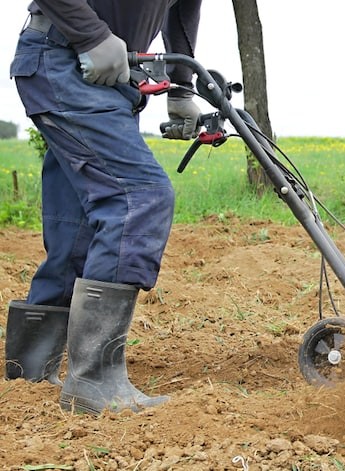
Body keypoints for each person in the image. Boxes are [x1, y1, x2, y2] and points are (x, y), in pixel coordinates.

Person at [5, 0, 203, 415]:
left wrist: (183, 87)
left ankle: (28, 374)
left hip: (112, 75)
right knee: (139, 197)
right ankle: (94, 379)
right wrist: (91, 35)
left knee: (77, 228)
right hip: (65, 58)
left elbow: (183, 8)